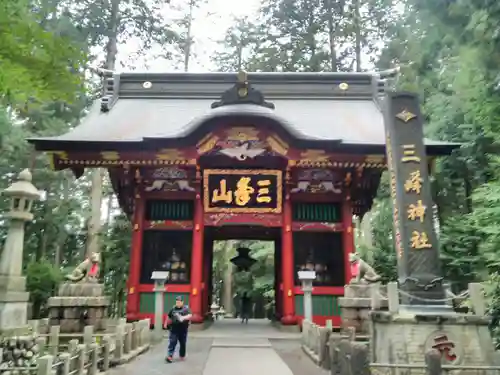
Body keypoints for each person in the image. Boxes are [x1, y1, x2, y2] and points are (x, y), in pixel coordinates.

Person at [165, 296, 192, 363]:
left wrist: (183, 317)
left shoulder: (186, 309)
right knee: (172, 342)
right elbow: (168, 316)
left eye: (179, 302)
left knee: (182, 343)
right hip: (174, 328)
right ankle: (170, 356)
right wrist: (166, 323)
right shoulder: (173, 309)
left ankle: (182, 355)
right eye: (177, 302)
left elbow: (190, 315)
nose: (178, 303)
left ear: (182, 302)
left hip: (183, 329)